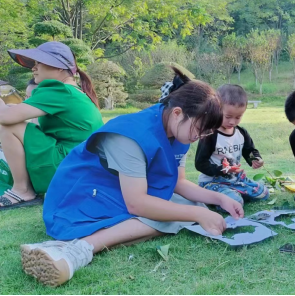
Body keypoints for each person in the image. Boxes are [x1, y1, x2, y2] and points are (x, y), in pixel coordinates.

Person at [20, 72, 244, 287]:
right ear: (177, 113)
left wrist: (219, 199)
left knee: (186, 207)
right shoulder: (131, 135)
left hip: (115, 191)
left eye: (205, 133)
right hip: (80, 196)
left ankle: (71, 246)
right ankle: (80, 250)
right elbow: (137, 203)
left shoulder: (179, 131)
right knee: (174, 213)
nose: (199, 137)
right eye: (199, 130)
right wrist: (198, 214)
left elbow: (178, 182)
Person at [0, 42, 103, 209]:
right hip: (83, 165)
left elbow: (4, 118)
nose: (33, 68)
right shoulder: (72, 91)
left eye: (38, 63)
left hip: (70, 165)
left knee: (8, 126)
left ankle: (22, 190)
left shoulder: (58, 90)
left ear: (59, 67)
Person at [195, 84, 269, 206]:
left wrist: (255, 159)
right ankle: (220, 196)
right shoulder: (210, 134)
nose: (232, 122)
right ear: (217, 109)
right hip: (213, 181)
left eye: (238, 117)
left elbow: (249, 150)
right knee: (235, 202)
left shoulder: (241, 132)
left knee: (264, 193)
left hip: (236, 179)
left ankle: (233, 193)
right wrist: (222, 170)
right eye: (228, 117)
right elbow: (200, 163)